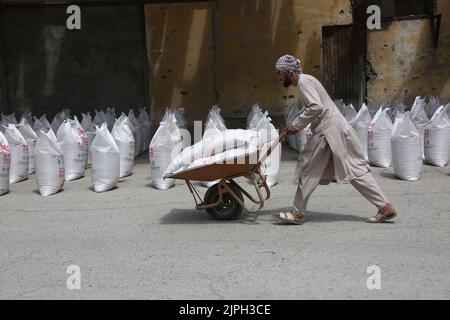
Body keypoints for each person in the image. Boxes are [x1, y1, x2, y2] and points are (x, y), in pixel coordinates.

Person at [275, 54, 397, 225]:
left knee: (308, 171)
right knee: (354, 169)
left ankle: (297, 213)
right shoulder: (307, 81)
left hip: (328, 132)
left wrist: (296, 125)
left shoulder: (304, 83)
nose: (279, 77)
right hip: (335, 129)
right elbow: (312, 107)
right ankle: (385, 206)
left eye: (280, 73)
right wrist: (294, 124)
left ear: (288, 72)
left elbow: (315, 107)